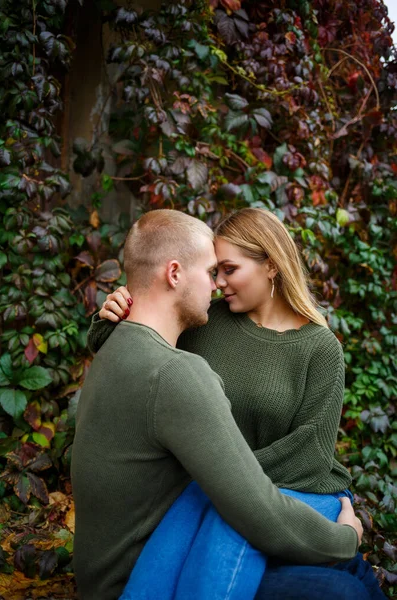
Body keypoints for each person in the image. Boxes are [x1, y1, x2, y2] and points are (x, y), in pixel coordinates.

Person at [91, 208, 386, 599]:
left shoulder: (320, 348)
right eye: (214, 272)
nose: (218, 283)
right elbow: (138, 360)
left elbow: (310, 455)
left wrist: (226, 477)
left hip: (284, 493)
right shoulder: (205, 319)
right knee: (345, 585)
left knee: (357, 575)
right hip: (225, 505)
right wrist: (111, 316)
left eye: (229, 269)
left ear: (271, 265)